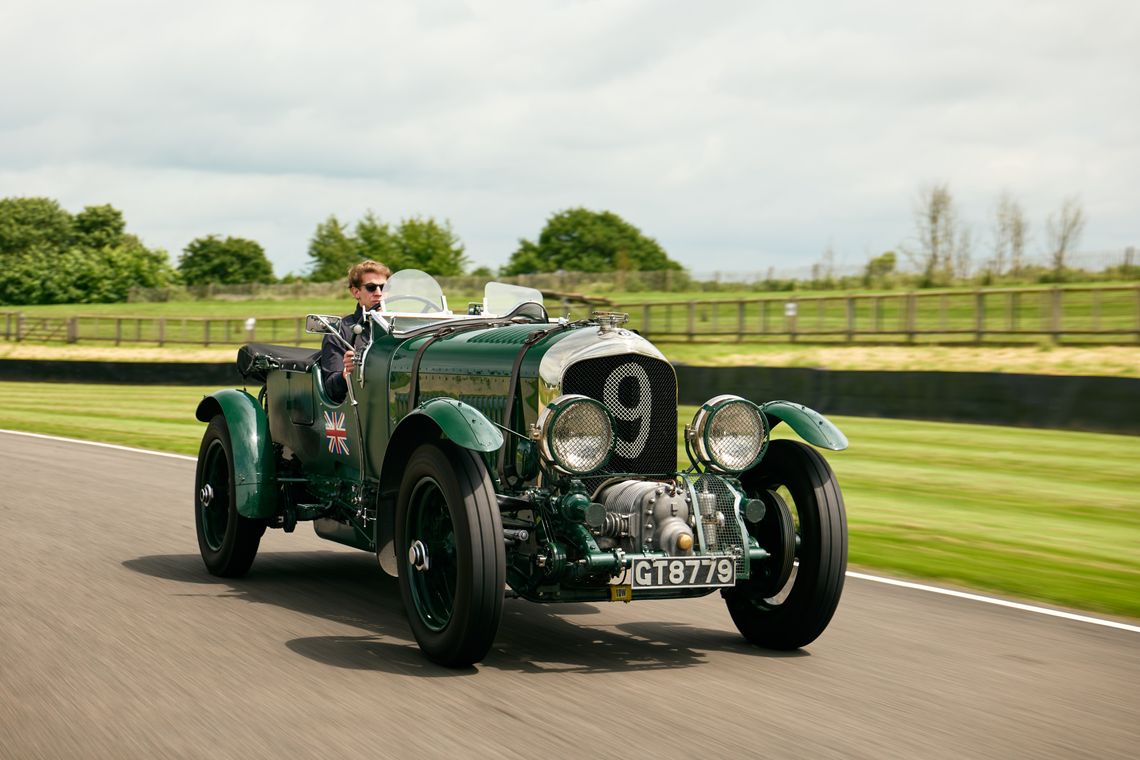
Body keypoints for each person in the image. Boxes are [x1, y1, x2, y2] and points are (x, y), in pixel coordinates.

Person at [320, 260, 391, 403]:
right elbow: (331, 389)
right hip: (361, 407)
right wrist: (346, 374)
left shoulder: (404, 327)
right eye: (371, 288)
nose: (378, 293)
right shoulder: (340, 331)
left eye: (383, 287)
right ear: (356, 292)